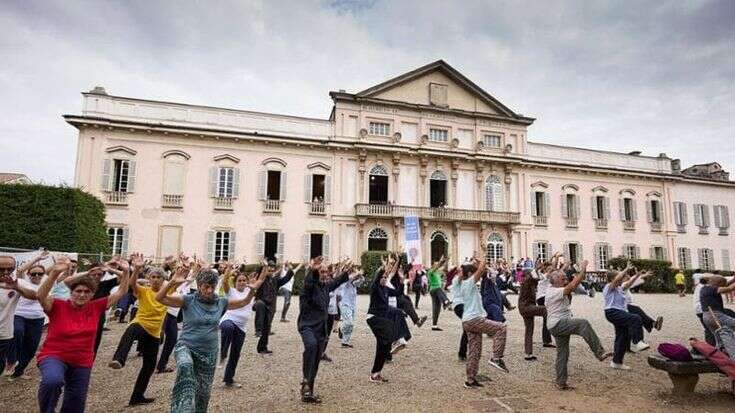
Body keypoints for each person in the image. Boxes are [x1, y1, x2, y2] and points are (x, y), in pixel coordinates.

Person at [156, 259, 266, 413]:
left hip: (209, 352)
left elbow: (243, 302)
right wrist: (172, 282)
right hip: (186, 346)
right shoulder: (188, 300)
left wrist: (253, 290)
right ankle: (182, 408)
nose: (209, 290)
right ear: (199, 286)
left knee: (203, 392)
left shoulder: (220, 302)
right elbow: (159, 298)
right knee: (186, 367)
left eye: (212, 287)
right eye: (205, 287)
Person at [35, 255, 129, 412]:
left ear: (92, 294)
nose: (82, 295)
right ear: (72, 292)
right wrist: (54, 273)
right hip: (54, 355)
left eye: (87, 292)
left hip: (82, 361)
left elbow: (122, 291)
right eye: (78, 291)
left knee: (76, 402)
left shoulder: (96, 307)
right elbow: (40, 295)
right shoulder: (58, 306)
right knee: (52, 381)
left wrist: (126, 271)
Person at [108, 254, 167, 406]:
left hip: (154, 332)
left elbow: (178, 282)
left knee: (149, 367)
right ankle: (119, 359)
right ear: (149, 278)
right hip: (141, 324)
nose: (155, 279)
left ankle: (137, 397)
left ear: (162, 279)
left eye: (158, 277)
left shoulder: (166, 293)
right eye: (152, 277)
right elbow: (133, 283)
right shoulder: (144, 291)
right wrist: (137, 269)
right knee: (131, 330)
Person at [545, 259, 612, 390]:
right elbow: (573, 285)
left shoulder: (556, 287)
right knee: (583, 324)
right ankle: (599, 352)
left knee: (563, 354)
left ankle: (560, 383)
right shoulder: (553, 291)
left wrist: (570, 271)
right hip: (558, 324)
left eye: (565, 278)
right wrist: (583, 269)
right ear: (556, 280)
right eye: (563, 279)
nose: (566, 280)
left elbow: (572, 285)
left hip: (556, 325)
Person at [297, 257, 351, 403]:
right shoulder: (309, 286)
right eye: (321, 271)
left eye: (326, 272)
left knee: (316, 358)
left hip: (321, 328)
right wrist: (314, 269)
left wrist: (345, 272)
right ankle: (305, 380)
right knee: (311, 346)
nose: (324, 274)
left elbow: (337, 282)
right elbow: (310, 281)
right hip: (307, 325)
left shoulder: (325, 287)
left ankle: (308, 391)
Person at [456, 255, 508, 389]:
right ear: (469, 274)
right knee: (501, 328)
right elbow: (480, 270)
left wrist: (478, 263)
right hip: (474, 319)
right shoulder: (468, 283)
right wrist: (483, 254)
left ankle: (470, 380)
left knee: (474, 351)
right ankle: (496, 358)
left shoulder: (464, 285)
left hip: (468, 321)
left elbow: (481, 270)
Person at [219, 263, 265, 387]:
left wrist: (265, 267)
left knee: (235, 353)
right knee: (228, 327)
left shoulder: (250, 291)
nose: (242, 282)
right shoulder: (231, 291)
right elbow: (224, 282)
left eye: (244, 280)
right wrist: (229, 268)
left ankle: (228, 379)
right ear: (235, 282)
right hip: (228, 320)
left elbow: (261, 279)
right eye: (239, 280)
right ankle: (223, 353)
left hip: (241, 327)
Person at [5, 251, 48, 379]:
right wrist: (38, 258)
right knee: (17, 331)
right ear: (28, 274)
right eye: (33, 273)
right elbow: (20, 270)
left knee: (31, 347)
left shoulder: (46, 283)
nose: (36, 275)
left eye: (39, 273)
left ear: (43, 275)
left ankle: (18, 372)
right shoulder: (22, 282)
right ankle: (11, 360)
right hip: (19, 315)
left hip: (37, 319)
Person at [603, 263, 650, 370]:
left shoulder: (621, 288)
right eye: (619, 276)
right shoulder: (608, 287)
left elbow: (629, 283)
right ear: (612, 279)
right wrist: (625, 269)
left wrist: (637, 275)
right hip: (612, 312)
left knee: (622, 336)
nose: (622, 278)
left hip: (619, 313)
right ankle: (638, 341)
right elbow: (616, 280)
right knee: (635, 318)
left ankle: (616, 362)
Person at [366, 258, 403, 384]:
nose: (384, 278)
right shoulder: (375, 287)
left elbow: (398, 292)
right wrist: (387, 266)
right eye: (382, 277)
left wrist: (402, 281)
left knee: (383, 346)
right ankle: (396, 340)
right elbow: (381, 275)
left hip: (381, 318)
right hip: (373, 318)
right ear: (378, 278)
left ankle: (375, 373)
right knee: (389, 325)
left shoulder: (385, 289)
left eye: (385, 277)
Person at [0, 255, 38, 375]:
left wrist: (17, 287)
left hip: (3, 334)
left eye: (10, 269)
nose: (6, 272)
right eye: (1, 269)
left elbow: (34, 296)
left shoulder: (16, 283)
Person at [253, 260, 293, 354]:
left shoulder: (276, 280)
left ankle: (262, 348)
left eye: (272, 268)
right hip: (261, 303)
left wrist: (290, 269)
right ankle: (258, 330)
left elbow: (286, 278)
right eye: (269, 268)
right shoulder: (261, 279)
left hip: (271, 306)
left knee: (267, 327)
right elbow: (259, 273)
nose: (271, 269)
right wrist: (263, 266)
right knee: (260, 304)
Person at [518, 262, 549, 361]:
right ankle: (555, 326)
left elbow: (537, 278)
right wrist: (536, 269)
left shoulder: (530, 283)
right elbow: (531, 277)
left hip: (525, 308)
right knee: (545, 309)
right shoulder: (526, 283)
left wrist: (538, 269)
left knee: (529, 330)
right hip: (526, 307)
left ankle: (528, 354)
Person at [623, 270, 663, 341]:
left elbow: (633, 281)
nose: (629, 276)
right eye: (626, 276)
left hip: (627, 307)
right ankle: (652, 325)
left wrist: (644, 275)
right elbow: (631, 281)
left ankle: (651, 325)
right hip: (623, 308)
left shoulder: (625, 284)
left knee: (637, 316)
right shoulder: (622, 285)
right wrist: (638, 275)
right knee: (635, 312)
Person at [337, 269, 364, 348]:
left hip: (352, 307)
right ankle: (341, 329)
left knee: (351, 325)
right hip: (345, 305)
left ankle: (345, 342)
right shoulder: (345, 283)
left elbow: (362, 280)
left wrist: (360, 275)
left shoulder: (354, 284)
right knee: (349, 323)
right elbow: (349, 278)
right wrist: (356, 274)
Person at [692, 271, 715, 346]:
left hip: (698, 310)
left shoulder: (700, 286)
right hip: (703, 309)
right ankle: (712, 347)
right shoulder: (706, 287)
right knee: (711, 329)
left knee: (708, 329)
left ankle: (711, 347)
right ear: (708, 280)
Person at [428, 256, 451, 331]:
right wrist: (441, 261)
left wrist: (446, 261)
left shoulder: (438, 272)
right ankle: (446, 301)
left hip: (438, 292)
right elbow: (437, 267)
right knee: (439, 289)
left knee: (436, 308)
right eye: (436, 264)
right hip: (434, 290)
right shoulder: (430, 272)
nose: (437, 266)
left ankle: (434, 325)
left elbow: (444, 268)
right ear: (433, 265)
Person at [450, 268, 468, 362]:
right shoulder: (456, 279)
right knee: (468, 326)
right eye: (460, 271)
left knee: (468, 328)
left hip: (465, 305)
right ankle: (462, 353)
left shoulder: (466, 282)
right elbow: (461, 276)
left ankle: (463, 353)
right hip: (458, 305)